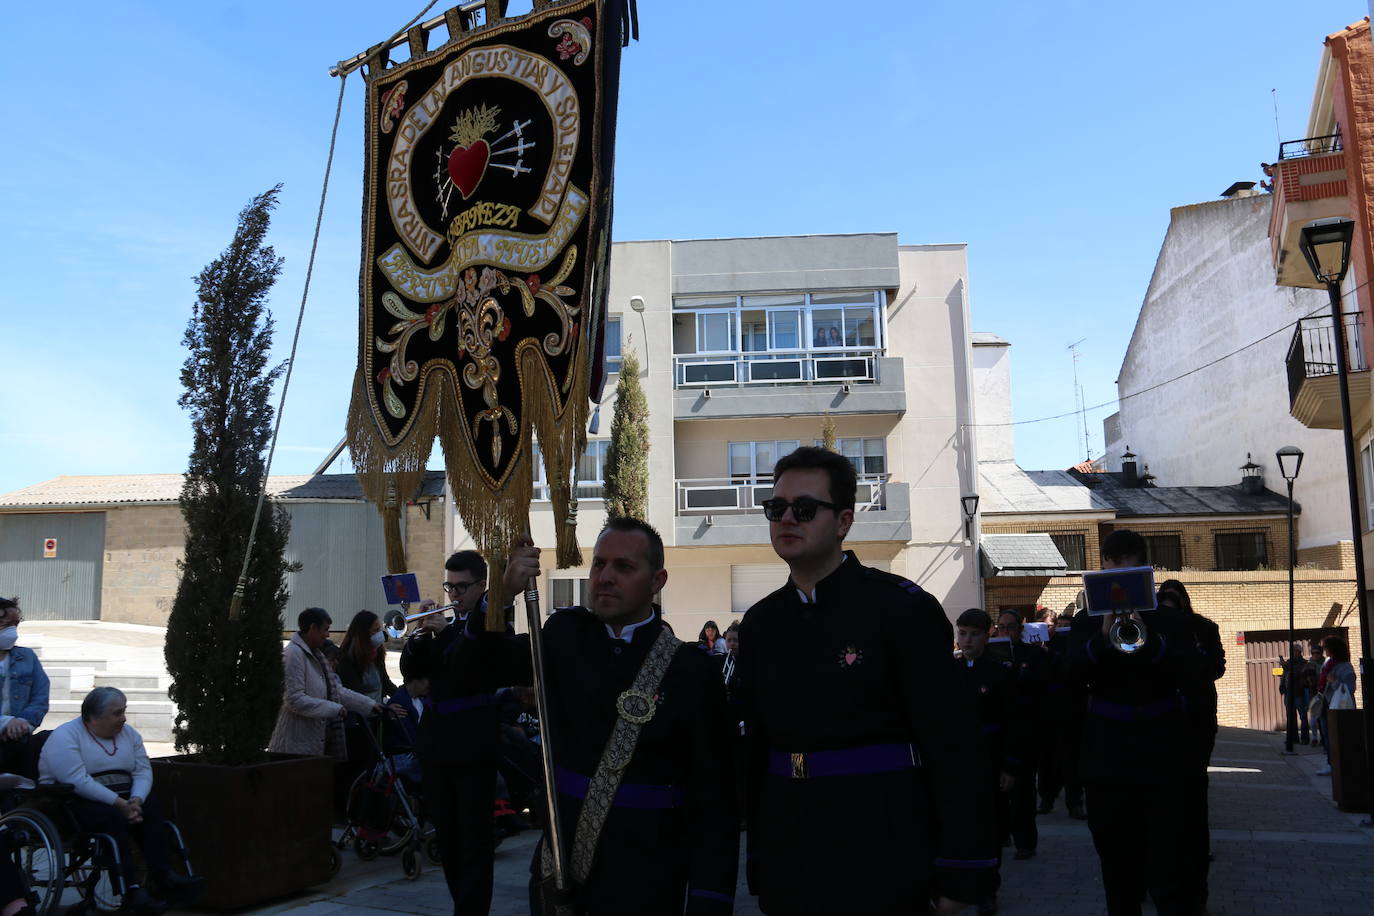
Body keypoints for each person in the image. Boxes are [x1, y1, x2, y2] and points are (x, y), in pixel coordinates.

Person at [737, 446, 997, 914]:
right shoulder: (760, 624)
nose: (787, 519)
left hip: (882, 848)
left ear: (843, 522)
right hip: (791, 852)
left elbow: (954, 744)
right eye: (777, 508)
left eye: (805, 509)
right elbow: (756, 750)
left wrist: (964, 866)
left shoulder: (902, 609)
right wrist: (759, 854)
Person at [504, 518, 739, 914]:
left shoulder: (691, 671)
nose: (605, 577)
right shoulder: (564, 636)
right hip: (561, 868)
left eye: (624, 567)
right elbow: (472, 670)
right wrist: (503, 593)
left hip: (646, 874)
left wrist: (708, 900)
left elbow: (715, 799)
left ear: (657, 580)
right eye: (599, 564)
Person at [1070, 529, 1200, 915]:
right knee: (1117, 868)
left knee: (1170, 869)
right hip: (1107, 755)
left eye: (1132, 570)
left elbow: (1194, 676)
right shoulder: (1083, 625)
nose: (1122, 577)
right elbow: (1067, 680)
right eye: (1116, 569)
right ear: (1104, 567)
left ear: (1145, 569)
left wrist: (1155, 641)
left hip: (1163, 751)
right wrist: (1101, 640)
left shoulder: (1172, 622)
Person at [400, 550, 532, 916]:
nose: (454, 594)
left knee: (474, 841)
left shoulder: (492, 624)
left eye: (462, 587)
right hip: (436, 744)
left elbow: (467, 665)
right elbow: (413, 672)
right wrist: (417, 634)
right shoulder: (443, 627)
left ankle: (471, 910)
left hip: (473, 744)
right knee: (448, 838)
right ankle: (463, 904)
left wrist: (447, 632)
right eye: (450, 586)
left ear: (481, 586)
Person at [39, 687, 203, 914]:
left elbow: (143, 771)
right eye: (117, 713)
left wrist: (136, 800)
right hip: (73, 801)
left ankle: (163, 877)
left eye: (123, 711)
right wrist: (120, 804)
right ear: (93, 717)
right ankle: (132, 889)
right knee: (110, 816)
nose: (124, 718)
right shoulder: (65, 736)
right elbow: (76, 780)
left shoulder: (129, 735)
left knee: (152, 806)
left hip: (125, 797)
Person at [1157, 577, 1224, 911]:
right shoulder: (1152, 627)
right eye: (1164, 597)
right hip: (1163, 720)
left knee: (1194, 787)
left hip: (1196, 717)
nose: (1170, 601)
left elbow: (1217, 667)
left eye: (1174, 596)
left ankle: (1195, 870)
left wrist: (1193, 652)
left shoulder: (1204, 628)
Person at [955, 608, 1023, 916]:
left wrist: (1009, 766)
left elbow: (1013, 723)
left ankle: (987, 890)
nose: (966, 640)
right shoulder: (948, 672)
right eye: (962, 633)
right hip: (957, 761)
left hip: (989, 759)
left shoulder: (1000, 673)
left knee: (990, 827)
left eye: (973, 634)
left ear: (987, 635)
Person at [268, 607, 381, 759]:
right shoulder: (294, 654)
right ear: (313, 628)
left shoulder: (316, 655)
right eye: (325, 629)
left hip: (310, 744)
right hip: (293, 748)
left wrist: (369, 705)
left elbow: (336, 690)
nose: (328, 635)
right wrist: (334, 709)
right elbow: (294, 699)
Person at [991, 608, 1043, 861]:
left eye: (1009, 627)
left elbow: (1038, 688)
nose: (1004, 631)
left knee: (1023, 791)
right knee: (999, 792)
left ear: (1020, 630)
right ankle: (1003, 835)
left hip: (1024, 730)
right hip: (999, 731)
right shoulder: (990, 658)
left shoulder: (1033, 655)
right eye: (1000, 627)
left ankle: (1026, 842)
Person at [1036, 610, 1085, 820]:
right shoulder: (1035, 648)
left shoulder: (1065, 644)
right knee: (1047, 759)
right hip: (1045, 711)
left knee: (1071, 759)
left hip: (1068, 708)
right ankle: (1046, 798)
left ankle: (1074, 803)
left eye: (1047, 626)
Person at [0, 598, 48, 775]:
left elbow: (40, 697)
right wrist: (5, 724)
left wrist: (22, 723)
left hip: (18, 739)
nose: (12, 631)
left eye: (15, 624)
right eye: (5, 624)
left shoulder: (27, 657)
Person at [1316, 635, 1356, 777]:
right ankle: (1330, 764)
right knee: (1327, 737)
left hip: (1340, 708)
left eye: (1325, 647)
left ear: (1333, 649)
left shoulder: (1345, 666)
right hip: (1327, 705)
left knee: (1339, 738)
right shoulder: (1328, 663)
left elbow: (1350, 688)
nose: (1324, 650)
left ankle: (1341, 766)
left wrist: (1334, 681)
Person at [338, 610, 397, 704]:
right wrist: (385, 709)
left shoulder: (377, 655)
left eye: (379, 629)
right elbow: (354, 696)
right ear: (363, 634)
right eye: (376, 630)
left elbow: (386, 684)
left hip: (379, 713)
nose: (380, 634)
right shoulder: (347, 659)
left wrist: (403, 696)